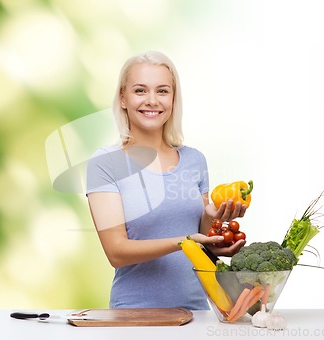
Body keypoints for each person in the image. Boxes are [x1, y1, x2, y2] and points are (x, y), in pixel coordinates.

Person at [86, 51, 247, 310]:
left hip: (197, 312)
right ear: (123, 98)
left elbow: (202, 242)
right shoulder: (106, 164)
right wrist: (183, 241)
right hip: (135, 315)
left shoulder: (194, 160)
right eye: (140, 91)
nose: (152, 101)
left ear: (173, 99)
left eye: (162, 91)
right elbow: (116, 252)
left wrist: (212, 218)